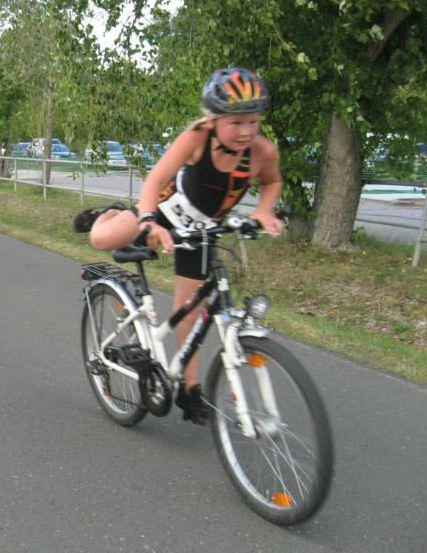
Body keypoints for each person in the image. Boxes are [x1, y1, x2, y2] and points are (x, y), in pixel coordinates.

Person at [74, 67, 284, 425]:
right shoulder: (197, 138)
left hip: (200, 230)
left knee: (188, 310)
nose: (246, 131)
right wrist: (147, 220)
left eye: (253, 121)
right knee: (100, 239)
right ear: (213, 119)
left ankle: (190, 389)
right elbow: (155, 180)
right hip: (163, 211)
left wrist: (264, 210)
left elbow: (272, 181)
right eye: (236, 122)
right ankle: (110, 213)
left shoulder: (262, 151)